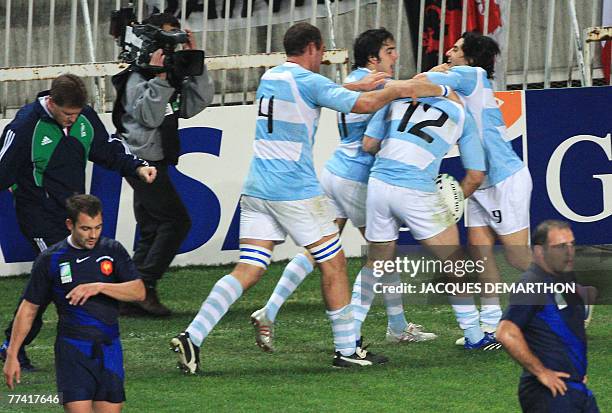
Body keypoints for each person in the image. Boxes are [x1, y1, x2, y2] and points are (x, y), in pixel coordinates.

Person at [170, 22, 427, 373]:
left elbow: (321, 91)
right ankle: (347, 348)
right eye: (321, 51)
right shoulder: (308, 81)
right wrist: (400, 89)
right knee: (334, 263)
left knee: (250, 267)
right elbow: (363, 105)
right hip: (293, 189)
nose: (322, 57)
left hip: (257, 187)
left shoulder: (272, 77)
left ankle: (192, 337)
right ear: (310, 48)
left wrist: (357, 84)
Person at [250, 28, 438, 353]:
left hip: (334, 170)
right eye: (390, 51)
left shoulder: (350, 78)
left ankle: (271, 308)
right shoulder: (377, 84)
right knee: (383, 253)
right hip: (358, 177)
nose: (395, 57)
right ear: (373, 57)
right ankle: (377, 329)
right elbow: (370, 142)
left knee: (317, 249)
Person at [0, 73, 156, 370]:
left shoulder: (84, 117)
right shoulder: (24, 126)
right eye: (67, 114)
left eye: (76, 114)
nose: (72, 120)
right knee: (62, 275)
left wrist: (137, 168)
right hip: (38, 214)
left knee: (49, 283)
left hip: (73, 213)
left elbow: (108, 148)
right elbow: (2, 168)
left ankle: (14, 343)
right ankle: (62, 346)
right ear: (52, 103)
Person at [415, 32, 533, 344]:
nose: (449, 53)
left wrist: (433, 73)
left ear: (468, 58)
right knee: (481, 255)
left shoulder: (472, 75)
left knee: (519, 258)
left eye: (455, 49)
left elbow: (420, 80)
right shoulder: (461, 86)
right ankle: (491, 326)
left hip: (506, 180)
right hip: (481, 183)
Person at [362, 87, 497, 350]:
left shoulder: (396, 95)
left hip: (377, 182)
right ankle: (473, 334)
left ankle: (348, 340)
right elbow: (476, 175)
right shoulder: (461, 113)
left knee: (375, 263)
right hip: (416, 190)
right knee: (455, 261)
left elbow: (368, 145)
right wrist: (453, 205)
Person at [3, 194, 146, 413]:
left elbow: (139, 292)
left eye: (98, 228)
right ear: (70, 225)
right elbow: (28, 309)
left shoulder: (112, 250)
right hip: (73, 350)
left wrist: (98, 286)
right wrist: (12, 355)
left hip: (110, 349)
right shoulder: (51, 259)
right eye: (86, 229)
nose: (93, 235)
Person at [112, 12, 215, 316]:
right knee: (176, 221)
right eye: (166, 39)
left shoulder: (170, 73)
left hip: (156, 158)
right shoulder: (135, 77)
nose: (170, 48)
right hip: (141, 161)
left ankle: (131, 295)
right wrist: (159, 80)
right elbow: (149, 117)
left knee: (152, 226)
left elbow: (196, 104)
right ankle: (144, 288)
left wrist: (195, 65)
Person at [497, 220, 600, 413]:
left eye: (572, 244)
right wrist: (542, 372)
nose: (569, 252)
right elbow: (506, 333)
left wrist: (577, 371)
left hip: (575, 389)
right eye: (560, 247)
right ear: (539, 251)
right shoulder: (531, 284)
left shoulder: (564, 276)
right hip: (549, 394)